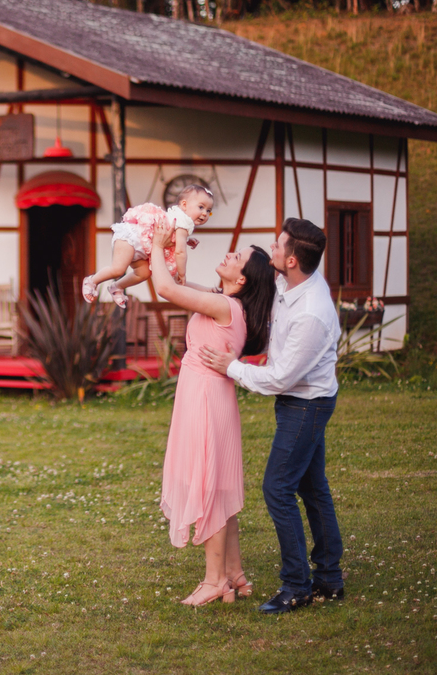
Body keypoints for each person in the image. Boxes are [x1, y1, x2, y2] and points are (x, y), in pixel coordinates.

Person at [198, 218, 345, 615]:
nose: (272, 251)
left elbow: (280, 378)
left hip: (306, 404)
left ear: (293, 259)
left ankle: (297, 585)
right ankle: (329, 578)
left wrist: (231, 366)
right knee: (313, 489)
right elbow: (260, 290)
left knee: (277, 489)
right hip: (300, 400)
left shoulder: (311, 313)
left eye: (278, 247)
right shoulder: (290, 283)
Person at [149, 226, 276, 608]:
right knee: (217, 485)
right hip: (205, 394)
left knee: (208, 485)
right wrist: (175, 247)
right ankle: (234, 573)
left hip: (205, 397)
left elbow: (167, 291)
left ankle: (214, 580)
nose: (229, 254)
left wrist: (156, 244)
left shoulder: (226, 307)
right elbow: (177, 282)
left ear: (243, 279)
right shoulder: (222, 300)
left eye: (237, 257)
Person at [82, 185, 214, 309]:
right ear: (184, 205)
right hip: (131, 238)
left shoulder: (180, 220)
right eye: (201, 207)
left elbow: (172, 236)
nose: (204, 214)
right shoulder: (184, 223)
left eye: (209, 211)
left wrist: (187, 240)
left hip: (141, 248)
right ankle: (91, 281)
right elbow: (180, 252)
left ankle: (116, 287)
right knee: (118, 269)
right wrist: (182, 273)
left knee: (144, 273)